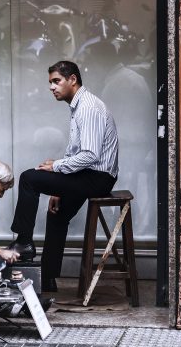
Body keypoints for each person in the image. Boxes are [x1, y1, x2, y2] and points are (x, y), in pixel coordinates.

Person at [8, 60, 119, 292]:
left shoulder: (88, 107)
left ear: (73, 80)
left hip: (96, 177)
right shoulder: (78, 106)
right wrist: (59, 188)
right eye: (50, 82)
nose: (52, 87)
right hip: (87, 175)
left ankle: (24, 242)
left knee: (29, 178)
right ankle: (48, 279)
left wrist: (56, 166)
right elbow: (77, 154)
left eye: (56, 81)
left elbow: (89, 155)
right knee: (56, 216)